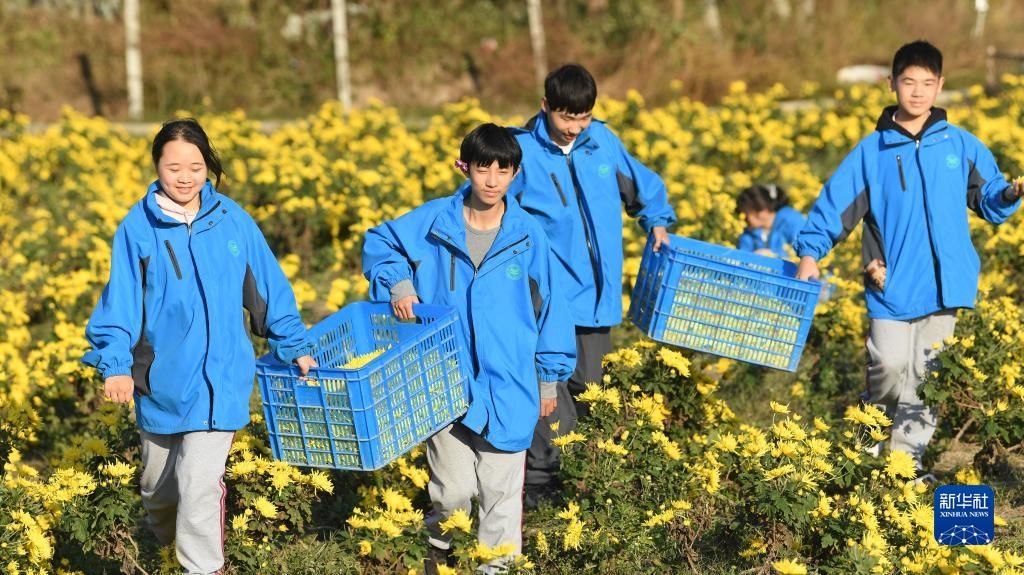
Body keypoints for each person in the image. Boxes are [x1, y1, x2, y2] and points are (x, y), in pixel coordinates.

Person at [82, 119, 317, 575]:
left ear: (209, 166)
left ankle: (202, 568)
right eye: (174, 167)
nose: (186, 176)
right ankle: (159, 551)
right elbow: (121, 305)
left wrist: (294, 343)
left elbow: (267, 291)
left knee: (198, 485)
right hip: (161, 382)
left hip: (221, 381)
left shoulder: (234, 221)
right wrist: (114, 365)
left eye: (196, 166)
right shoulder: (137, 229)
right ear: (157, 167)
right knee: (160, 493)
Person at [793, 41, 1023, 481]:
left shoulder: (961, 144)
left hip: (946, 284)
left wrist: (1011, 193)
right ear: (891, 84)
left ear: (940, 87)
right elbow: (834, 207)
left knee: (927, 378)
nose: (917, 92)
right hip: (892, 283)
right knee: (889, 367)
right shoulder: (871, 152)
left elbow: (989, 198)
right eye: (908, 82)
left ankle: (903, 465)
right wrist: (810, 253)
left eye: (927, 83)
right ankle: (866, 439)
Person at [361, 123, 576, 573]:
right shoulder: (435, 220)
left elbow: (552, 309)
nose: (492, 180)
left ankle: (495, 568)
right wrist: (399, 285)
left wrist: (549, 378)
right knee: (452, 492)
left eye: (503, 170)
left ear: (516, 173)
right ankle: (438, 556)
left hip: (512, 380)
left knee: (501, 496)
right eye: (483, 169)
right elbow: (380, 242)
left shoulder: (528, 235)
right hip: (445, 379)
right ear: (465, 168)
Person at [509, 63, 677, 502]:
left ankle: (588, 479)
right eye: (566, 117)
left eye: (583, 117)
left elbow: (642, 187)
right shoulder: (522, 152)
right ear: (546, 107)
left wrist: (656, 222)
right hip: (547, 298)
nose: (574, 127)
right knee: (550, 386)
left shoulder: (601, 141)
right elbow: (492, 207)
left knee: (594, 391)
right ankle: (542, 483)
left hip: (597, 298)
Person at [735, 183, 805, 259]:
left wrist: (773, 255)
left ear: (760, 210)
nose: (742, 219)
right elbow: (741, 257)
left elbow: (804, 254)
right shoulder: (749, 233)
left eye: (745, 215)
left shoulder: (792, 220)